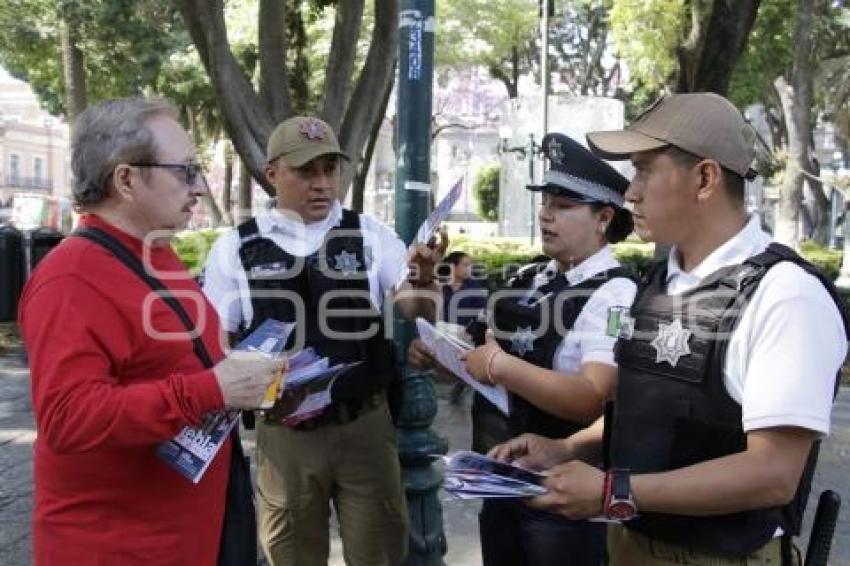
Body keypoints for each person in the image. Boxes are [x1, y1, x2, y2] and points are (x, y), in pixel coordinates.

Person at [491, 93, 849, 565]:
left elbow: (773, 472)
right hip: (630, 544)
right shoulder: (662, 282)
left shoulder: (785, 296)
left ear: (704, 178)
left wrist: (611, 492)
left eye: (643, 170)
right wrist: (565, 448)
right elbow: (648, 411)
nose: (630, 192)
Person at [18, 97, 281, 565]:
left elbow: (181, 363)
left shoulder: (155, 254)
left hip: (197, 530)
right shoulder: (72, 277)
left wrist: (249, 380)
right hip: (121, 546)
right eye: (185, 171)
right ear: (126, 179)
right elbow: (67, 417)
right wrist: (209, 388)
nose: (199, 186)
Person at [202, 115, 442, 566]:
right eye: (306, 171)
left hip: (364, 429)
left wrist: (425, 275)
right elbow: (216, 343)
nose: (322, 183)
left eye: (330, 169)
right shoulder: (236, 248)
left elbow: (415, 308)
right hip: (285, 436)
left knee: (380, 555)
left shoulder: (369, 235)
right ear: (272, 174)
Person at [412, 133, 637, 566]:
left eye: (563, 206)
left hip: (564, 501)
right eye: (545, 203)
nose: (546, 216)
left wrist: (499, 365)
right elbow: (475, 349)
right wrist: (439, 355)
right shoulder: (530, 276)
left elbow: (593, 396)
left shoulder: (616, 292)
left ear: (604, 217)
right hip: (499, 483)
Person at [440, 250, 488, 403]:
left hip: (466, 334)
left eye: (470, 265)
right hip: (444, 331)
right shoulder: (442, 287)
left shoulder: (474, 287)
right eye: (465, 265)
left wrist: (472, 331)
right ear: (453, 267)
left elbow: (484, 313)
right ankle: (460, 382)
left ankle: (463, 383)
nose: (469, 269)